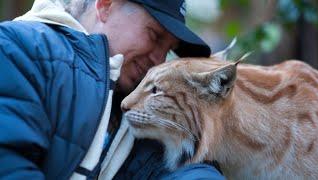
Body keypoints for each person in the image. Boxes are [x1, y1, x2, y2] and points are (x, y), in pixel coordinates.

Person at [0, 0, 225, 179]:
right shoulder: (17, 46)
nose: (159, 60)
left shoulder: (139, 95)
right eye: (155, 36)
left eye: (168, 50)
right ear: (106, 5)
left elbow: (178, 166)